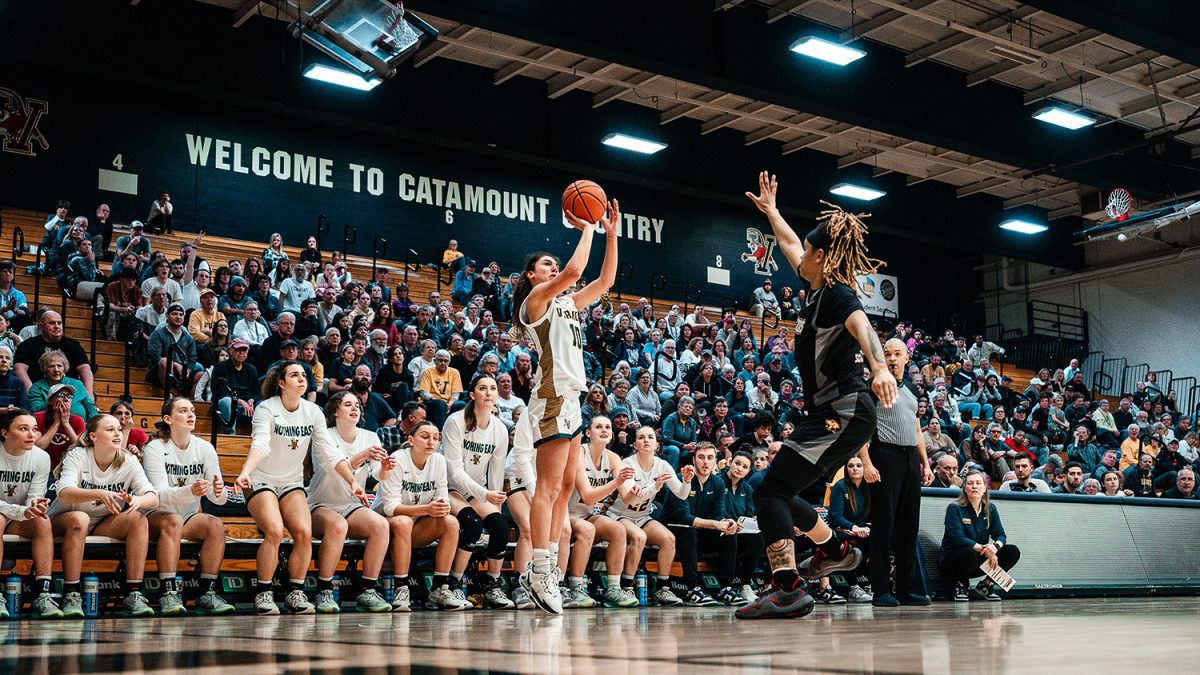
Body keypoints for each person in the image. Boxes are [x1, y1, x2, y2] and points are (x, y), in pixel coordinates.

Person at [736, 173, 894, 620]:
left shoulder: (839, 296)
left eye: (808, 252)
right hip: (833, 413)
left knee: (769, 492)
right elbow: (789, 245)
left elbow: (863, 325)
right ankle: (836, 548)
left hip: (842, 411)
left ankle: (786, 588)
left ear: (821, 256)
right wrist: (771, 212)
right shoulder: (818, 290)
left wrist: (880, 367)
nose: (798, 256)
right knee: (779, 492)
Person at [508, 196, 621, 615]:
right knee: (549, 487)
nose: (554, 269)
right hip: (553, 398)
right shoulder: (534, 304)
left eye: (554, 265)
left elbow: (604, 281)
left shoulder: (567, 304)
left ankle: (549, 568)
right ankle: (539, 571)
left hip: (572, 401)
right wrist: (587, 224)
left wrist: (610, 233)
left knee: (566, 492)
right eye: (546, 265)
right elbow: (576, 271)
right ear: (530, 276)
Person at [234, 361, 334, 615]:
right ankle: (264, 593)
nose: (301, 379)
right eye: (294, 375)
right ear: (281, 383)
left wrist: (353, 481)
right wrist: (245, 471)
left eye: (303, 375)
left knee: (303, 532)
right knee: (275, 531)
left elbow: (329, 452)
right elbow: (261, 443)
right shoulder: (267, 408)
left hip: (291, 481)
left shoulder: (313, 411)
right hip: (260, 478)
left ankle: (296, 593)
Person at [49, 414, 160, 616]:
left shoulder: (129, 460)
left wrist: (138, 501)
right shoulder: (78, 455)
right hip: (65, 519)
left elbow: (153, 496)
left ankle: (133, 593)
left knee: (138, 518)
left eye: (118, 429)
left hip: (102, 522)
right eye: (110, 429)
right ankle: (71, 593)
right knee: (80, 518)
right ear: (93, 436)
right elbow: (64, 493)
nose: (117, 433)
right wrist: (99, 493)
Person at [141, 397, 235, 615]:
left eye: (192, 410)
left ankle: (207, 592)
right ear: (168, 419)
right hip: (155, 515)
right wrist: (190, 491)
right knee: (172, 521)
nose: (191, 414)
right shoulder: (155, 448)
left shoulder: (205, 448)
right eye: (183, 411)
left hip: (187, 517)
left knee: (215, 525)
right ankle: (168, 592)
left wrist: (219, 492)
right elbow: (159, 496)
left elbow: (217, 499)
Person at [856, 338, 932, 608]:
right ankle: (880, 590)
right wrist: (866, 463)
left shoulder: (912, 389)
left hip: (910, 458)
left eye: (897, 353)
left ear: (907, 358)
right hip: (884, 455)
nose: (892, 358)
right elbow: (860, 428)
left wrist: (926, 463)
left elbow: (916, 428)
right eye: (886, 353)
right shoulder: (874, 386)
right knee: (884, 526)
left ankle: (906, 589)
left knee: (909, 526)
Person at [306, 391, 393, 613]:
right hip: (319, 504)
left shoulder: (370, 436)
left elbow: (377, 475)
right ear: (335, 411)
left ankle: (367, 590)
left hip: (350, 505)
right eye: (347, 404)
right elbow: (334, 470)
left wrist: (384, 468)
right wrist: (361, 456)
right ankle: (324, 591)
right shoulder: (324, 435)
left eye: (357, 405)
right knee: (337, 526)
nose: (355, 408)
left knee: (381, 525)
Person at [374, 420, 472, 611]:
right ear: (411, 439)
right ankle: (401, 589)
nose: (431, 442)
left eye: (436, 438)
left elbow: (442, 498)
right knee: (403, 522)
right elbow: (390, 508)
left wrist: (440, 508)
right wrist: (426, 509)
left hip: (416, 527)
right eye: (425, 437)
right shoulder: (398, 459)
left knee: (451, 521)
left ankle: (439, 589)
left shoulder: (439, 461)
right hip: (386, 528)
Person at [440, 374, 516, 609]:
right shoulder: (455, 421)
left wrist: (494, 503)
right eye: (483, 388)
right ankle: (452, 584)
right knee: (472, 524)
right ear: (472, 395)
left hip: (476, 490)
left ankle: (492, 585)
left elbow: (495, 474)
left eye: (493, 388)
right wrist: (485, 495)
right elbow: (454, 472)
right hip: (448, 486)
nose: (489, 392)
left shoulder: (500, 430)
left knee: (500, 526)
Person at [606, 425, 692, 606]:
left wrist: (686, 481)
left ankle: (663, 588)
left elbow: (682, 494)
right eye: (641, 437)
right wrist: (656, 487)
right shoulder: (627, 465)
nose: (646, 440)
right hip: (619, 514)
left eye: (650, 437)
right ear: (635, 444)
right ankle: (627, 586)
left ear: (657, 445)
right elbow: (631, 500)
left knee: (669, 539)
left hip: (643, 515)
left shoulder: (663, 465)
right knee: (639, 537)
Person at [567, 416, 640, 607]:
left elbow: (626, 497)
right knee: (586, 529)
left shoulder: (614, 458)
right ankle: (576, 588)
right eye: (598, 427)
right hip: (565, 513)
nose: (604, 430)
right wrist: (616, 482)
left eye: (607, 427)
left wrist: (642, 490)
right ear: (588, 433)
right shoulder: (579, 453)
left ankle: (613, 589)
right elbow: (587, 496)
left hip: (586, 515)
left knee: (618, 530)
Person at [662, 442, 745, 606]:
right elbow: (684, 518)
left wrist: (727, 523)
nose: (705, 462)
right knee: (689, 531)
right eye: (701, 457)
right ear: (693, 460)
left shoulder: (718, 483)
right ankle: (692, 589)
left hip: (698, 532)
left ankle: (726, 588)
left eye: (710, 458)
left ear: (715, 461)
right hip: (673, 531)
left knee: (730, 534)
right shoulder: (680, 480)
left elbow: (718, 514)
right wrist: (716, 524)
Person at [0, 409, 61, 618]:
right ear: (5, 433)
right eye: (23, 429)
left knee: (42, 521)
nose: (31, 435)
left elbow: (34, 495)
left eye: (34, 429)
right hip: (4, 514)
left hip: (18, 515)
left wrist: (36, 505)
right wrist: (22, 511)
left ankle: (42, 594)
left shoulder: (41, 458)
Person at [939, 470, 1021, 602]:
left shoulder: (990, 508)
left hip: (978, 559)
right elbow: (957, 538)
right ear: (965, 488)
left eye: (978, 483)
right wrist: (986, 550)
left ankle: (985, 586)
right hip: (953, 560)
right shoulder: (954, 508)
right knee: (968, 552)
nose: (974, 486)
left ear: (984, 488)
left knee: (1012, 551)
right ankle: (961, 586)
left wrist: (995, 547)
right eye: (970, 483)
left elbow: (1000, 535)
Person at [14, 310, 94, 396]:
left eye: (59, 323)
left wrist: (88, 393)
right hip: (39, 391)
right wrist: (32, 393)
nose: (56, 326)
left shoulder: (73, 345)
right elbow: (19, 369)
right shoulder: (28, 345)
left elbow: (84, 369)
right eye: (52, 323)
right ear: (41, 326)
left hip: (69, 392)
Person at [27, 351, 98, 421]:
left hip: (80, 428)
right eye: (51, 366)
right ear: (45, 369)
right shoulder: (36, 388)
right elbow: (35, 412)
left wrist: (92, 427)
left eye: (59, 366)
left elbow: (91, 409)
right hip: (49, 427)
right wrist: (52, 401)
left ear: (64, 368)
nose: (56, 369)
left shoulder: (77, 384)